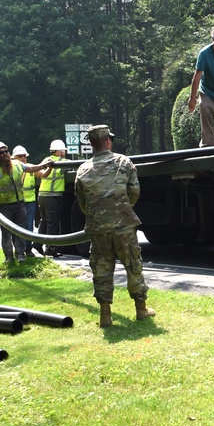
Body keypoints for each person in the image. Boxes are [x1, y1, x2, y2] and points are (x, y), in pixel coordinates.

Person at [75, 125, 154, 328]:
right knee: (133, 265)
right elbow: (134, 191)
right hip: (124, 226)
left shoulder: (82, 169)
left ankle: (105, 315)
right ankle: (141, 309)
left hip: (98, 228)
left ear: (92, 144)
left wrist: (99, 217)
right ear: (108, 141)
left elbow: (82, 202)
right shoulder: (123, 162)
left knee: (101, 268)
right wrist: (122, 209)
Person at [0, 141, 51, 265]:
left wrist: (44, 165)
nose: (5, 154)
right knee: (6, 232)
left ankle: (20, 255)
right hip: (5, 206)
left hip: (19, 204)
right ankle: (8, 257)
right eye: (1, 152)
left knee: (21, 231)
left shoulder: (17, 164)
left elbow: (32, 169)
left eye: (6, 151)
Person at [34, 139, 68, 257]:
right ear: (58, 151)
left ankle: (37, 243)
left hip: (42, 195)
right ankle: (51, 249)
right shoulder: (64, 162)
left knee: (44, 220)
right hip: (53, 195)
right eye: (63, 151)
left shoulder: (46, 160)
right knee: (52, 223)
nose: (64, 152)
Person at [12, 145, 38, 257]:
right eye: (20, 156)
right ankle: (19, 250)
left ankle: (28, 249)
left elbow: (42, 174)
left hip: (30, 202)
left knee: (29, 226)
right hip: (17, 202)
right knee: (17, 227)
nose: (23, 158)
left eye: (24, 156)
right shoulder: (11, 169)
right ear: (14, 158)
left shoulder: (30, 168)